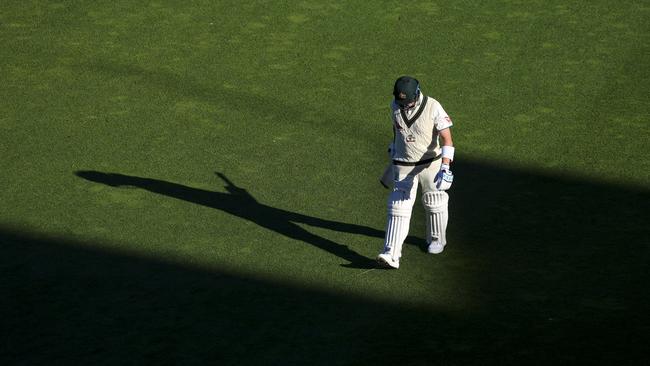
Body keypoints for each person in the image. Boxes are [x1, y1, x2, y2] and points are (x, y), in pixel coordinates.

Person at [377, 76, 455, 269]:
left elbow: (447, 139)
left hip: (431, 164)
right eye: (400, 101)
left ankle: (437, 239)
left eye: (407, 101)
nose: (403, 105)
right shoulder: (394, 105)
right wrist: (394, 147)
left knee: (435, 202)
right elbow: (397, 129)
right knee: (398, 207)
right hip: (403, 164)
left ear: (417, 94)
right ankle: (391, 254)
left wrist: (446, 167)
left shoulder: (433, 106)